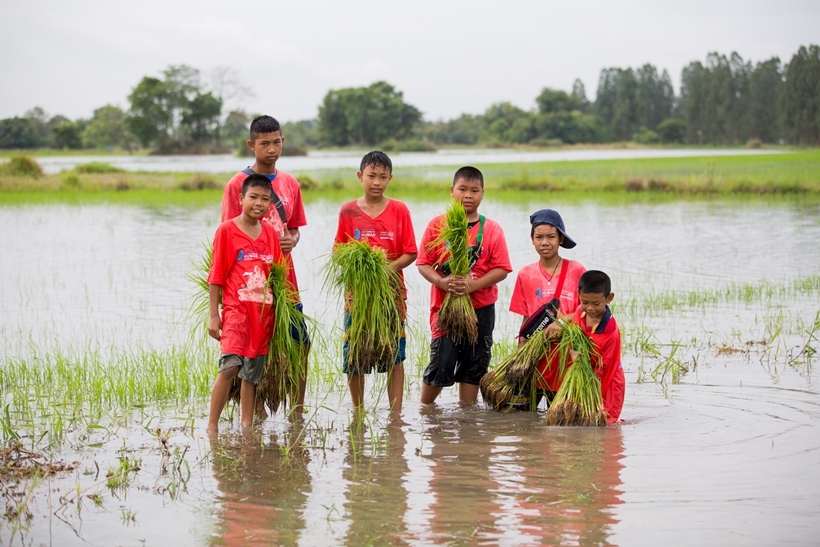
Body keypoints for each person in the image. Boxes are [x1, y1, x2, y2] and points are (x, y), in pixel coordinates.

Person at [220, 115, 310, 412]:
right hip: (248, 286)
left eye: (277, 142)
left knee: (300, 343)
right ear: (251, 145)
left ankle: (297, 409)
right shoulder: (237, 184)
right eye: (264, 144)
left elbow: (295, 227)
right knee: (248, 351)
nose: (272, 149)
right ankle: (253, 411)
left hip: (285, 281)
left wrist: (292, 240)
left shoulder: (290, 184)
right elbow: (228, 235)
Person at [417, 166, 512, 405]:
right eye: (462, 189)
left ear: (482, 194)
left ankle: (467, 420)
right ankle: (425, 411)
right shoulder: (438, 225)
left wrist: (474, 285)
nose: (468, 195)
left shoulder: (491, 229)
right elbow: (423, 263)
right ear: (452, 191)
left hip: (482, 308)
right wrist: (441, 281)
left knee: (475, 364)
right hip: (445, 309)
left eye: (474, 190)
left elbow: (502, 268)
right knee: (442, 361)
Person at [334, 151, 417, 413]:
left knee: (394, 354)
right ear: (360, 177)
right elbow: (338, 252)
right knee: (356, 352)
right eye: (371, 176)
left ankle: (396, 415)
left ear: (390, 178)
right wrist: (362, 267)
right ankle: (359, 411)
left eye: (383, 177)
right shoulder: (348, 210)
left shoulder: (400, 210)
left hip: (391, 294)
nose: (377, 182)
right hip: (357, 297)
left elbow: (411, 251)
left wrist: (387, 269)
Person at [206, 174, 285, 433]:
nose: (259, 203)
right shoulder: (227, 230)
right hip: (236, 312)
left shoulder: (271, 234)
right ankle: (211, 427)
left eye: (265, 199)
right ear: (241, 199)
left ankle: (247, 428)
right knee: (230, 367)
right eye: (253, 197)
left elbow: (277, 276)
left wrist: (281, 316)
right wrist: (213, 314)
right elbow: (216, 274)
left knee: (251, 375)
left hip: (262, 317)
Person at [509, 209, 586, 405]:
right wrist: (521, 356)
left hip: (567, 357)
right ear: (532, 240)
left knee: (562, 417)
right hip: (537, 357)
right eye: (539, 237)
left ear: (561, 238)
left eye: (551, 236)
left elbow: (587, 311)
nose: (545, 242)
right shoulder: (526, 274)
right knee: (524, 418)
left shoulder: (576, 270)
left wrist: (561, 322)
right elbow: (526, 321)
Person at [570, 270, 625, 423]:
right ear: (578, 294)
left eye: (596, 304)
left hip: (607, 383)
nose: (590, 308)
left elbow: (606, 367)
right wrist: (572, 352)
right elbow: (573, 339)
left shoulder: (610, 331)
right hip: (585, 376)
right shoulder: (579, 313)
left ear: (609, 298)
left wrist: (591, 395)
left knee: (603, 424)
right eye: (585, 302)